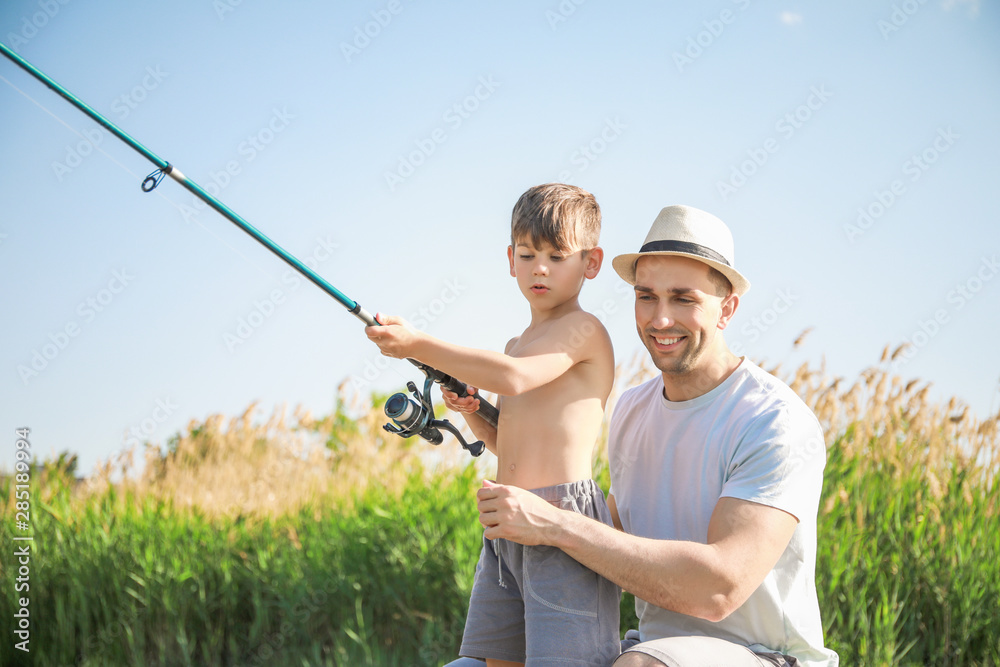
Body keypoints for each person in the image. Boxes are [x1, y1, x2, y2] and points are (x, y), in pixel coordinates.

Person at [451, 205, 839, 666]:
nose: (659, 319)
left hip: (763, 657)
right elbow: (608, 538)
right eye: (646, 297)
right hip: (647, 645)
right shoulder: (633, 409)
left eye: (684, 299)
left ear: (727, 309)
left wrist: (552, 523)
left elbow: (717, 590)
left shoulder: (773, 420)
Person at [366, 183, 621, 666]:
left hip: (561, 520)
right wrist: (475, 409)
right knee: (498, 660)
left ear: (591, 262)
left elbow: (516, 379)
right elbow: (510, 442)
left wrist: (417, 343)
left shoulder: (584, 329)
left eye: (556, 255)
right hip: (505, 521)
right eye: (527, 255)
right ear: (510, 260)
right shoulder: (515, 343)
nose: (539, 268)